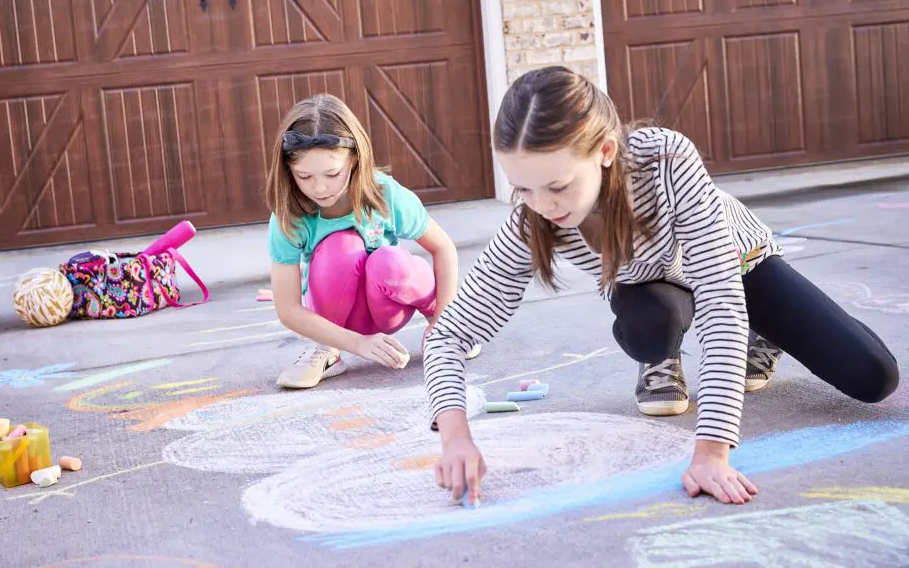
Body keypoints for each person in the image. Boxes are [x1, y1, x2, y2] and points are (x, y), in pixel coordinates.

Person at [424, 66, 898, 506]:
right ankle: (661, 355)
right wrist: (456, 437)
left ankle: (766, 334)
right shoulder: (534, 219)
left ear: (605, 151)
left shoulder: (667, 158)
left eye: (558, 185)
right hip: (649, 288)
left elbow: (720, 301)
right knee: (654, 321)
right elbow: (449, 336)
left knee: (874, 376)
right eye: (523, 188)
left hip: (737, 267)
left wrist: (711, 451)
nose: (542, 205)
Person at [267, 93, 480, 389]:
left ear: (354, 159)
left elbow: (443, 247)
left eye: (332, 173)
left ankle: (451, 329)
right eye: (304, 176)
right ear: (288, 170)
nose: (319, 187)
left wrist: (442, 320)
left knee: (389, 261)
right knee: (338, 250)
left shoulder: (385, 194)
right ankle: (326, 351)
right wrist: (356, 343)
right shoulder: (289, 216)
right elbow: (287, 309)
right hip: (338, 318)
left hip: (390, 303)